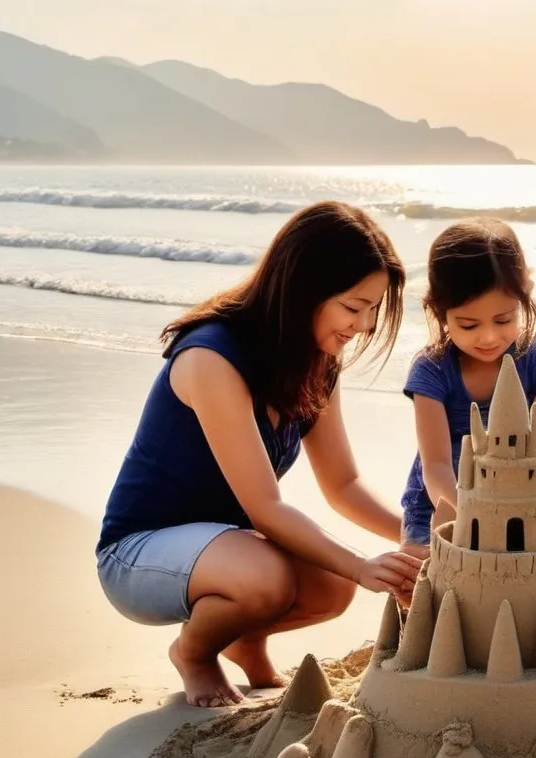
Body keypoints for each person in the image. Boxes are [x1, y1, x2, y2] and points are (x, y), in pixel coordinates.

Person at [95, 202, 422, 708]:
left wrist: (420, 541)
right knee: (272, 578)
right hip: (137, 556)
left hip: (228, 549)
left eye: (374, 309)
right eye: (354, 307)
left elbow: (344, 486)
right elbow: (264, 508)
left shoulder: (318, 364)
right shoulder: (212, 358)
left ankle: (247, 639)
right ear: (304, 290)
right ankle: (195, 653)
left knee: (334, 586)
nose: (365, 324)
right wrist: (362, 564)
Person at [400, 218, 536, 550]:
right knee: (431, 586)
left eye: (504, 320)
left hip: (525, 504)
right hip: (441, 504)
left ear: (526, 296)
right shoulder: (432, 370)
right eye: (468, 325)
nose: (489, 337)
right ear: (439, 311)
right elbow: (435, 465)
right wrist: (469, 515)